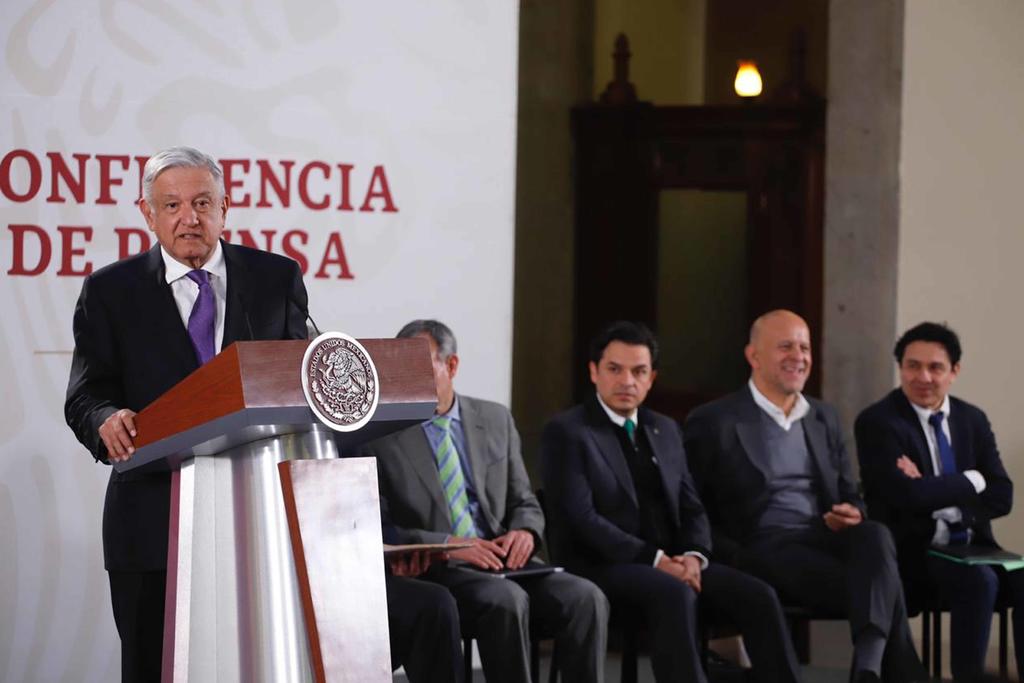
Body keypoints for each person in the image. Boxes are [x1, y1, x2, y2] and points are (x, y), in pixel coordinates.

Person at [64, 147, 461, 683]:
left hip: (264, 521)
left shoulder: (275, 278)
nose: (189, 218)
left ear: (225, 208)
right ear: (147, 214)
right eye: (172, 205)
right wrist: (105, 418)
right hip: (154, 520)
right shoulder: (112, 291)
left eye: (203, 203)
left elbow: (303, 380)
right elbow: (85, 395)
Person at [540, 321, 801, 683]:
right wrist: (656, 560)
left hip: (673, 563)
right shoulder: (568, 431)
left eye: (638, 371)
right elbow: (583, 519)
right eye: (614, 369)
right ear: (594, 372)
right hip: (601, 565)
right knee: (673, 592)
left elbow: (692, 506)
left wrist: (694, 556)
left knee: (758, 595)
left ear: (651, 378)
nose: (627, 381)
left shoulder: (665, 428)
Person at [683, 310, 929, 683]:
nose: (798, 356)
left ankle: (868, 661)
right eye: (785, 346)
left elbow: (850, 493)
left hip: (820, 537)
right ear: (754, 356)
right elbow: (692, 506)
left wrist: (851, 512)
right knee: (884, 584)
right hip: (761, 546)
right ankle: (885, 672)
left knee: (875, 533)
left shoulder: (823, 416)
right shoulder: (714, 420)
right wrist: (723, 555)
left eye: (804, 347)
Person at [360, 319, 609, 683]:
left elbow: (524, 500)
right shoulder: (379, 436)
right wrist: (450, 545)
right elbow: (383, 528)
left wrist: (525, 532)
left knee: (586, 597)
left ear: (452, 366)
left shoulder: (494, 418)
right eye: (402, 367)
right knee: (506, 600)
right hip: (443, 567)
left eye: (421, 365)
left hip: (504, 559)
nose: (408, 377)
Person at [855, 322, 1022, 682]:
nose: (923, 377)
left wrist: (933, 490)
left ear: (954, 371)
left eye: (935, 367)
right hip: (915, 552)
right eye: (912, 366)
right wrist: (971, 480)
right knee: (979, 582)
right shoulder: (878, 422)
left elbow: (1002, 495)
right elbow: (905, 496)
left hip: (973, 546)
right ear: (900, 367)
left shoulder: (971, 419)